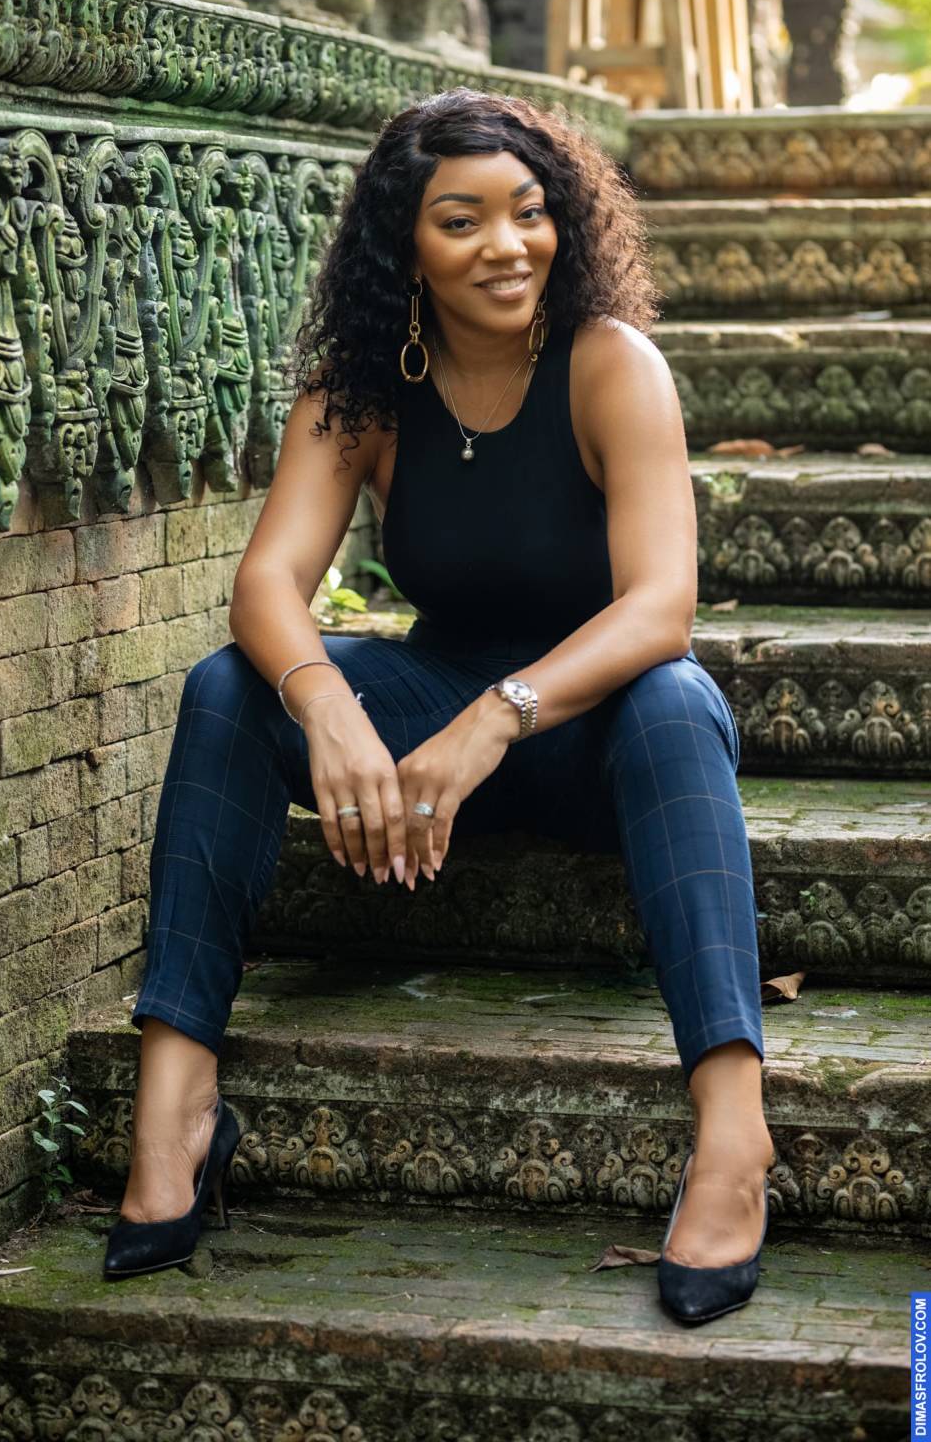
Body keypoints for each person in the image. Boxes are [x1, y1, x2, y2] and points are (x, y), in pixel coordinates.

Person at [103, 88, 774, 1324]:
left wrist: (497, 714)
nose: (506, 246)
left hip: (594, 733)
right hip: (426, 711)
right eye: (461, 222)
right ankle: (176, 1099)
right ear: (404, 247)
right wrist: (325, 703)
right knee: (226, 686)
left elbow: (660, 607)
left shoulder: (608, 364)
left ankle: (733, 1129)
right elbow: (265, 584)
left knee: (677, 698)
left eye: (528, 212)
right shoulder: (363, 389)